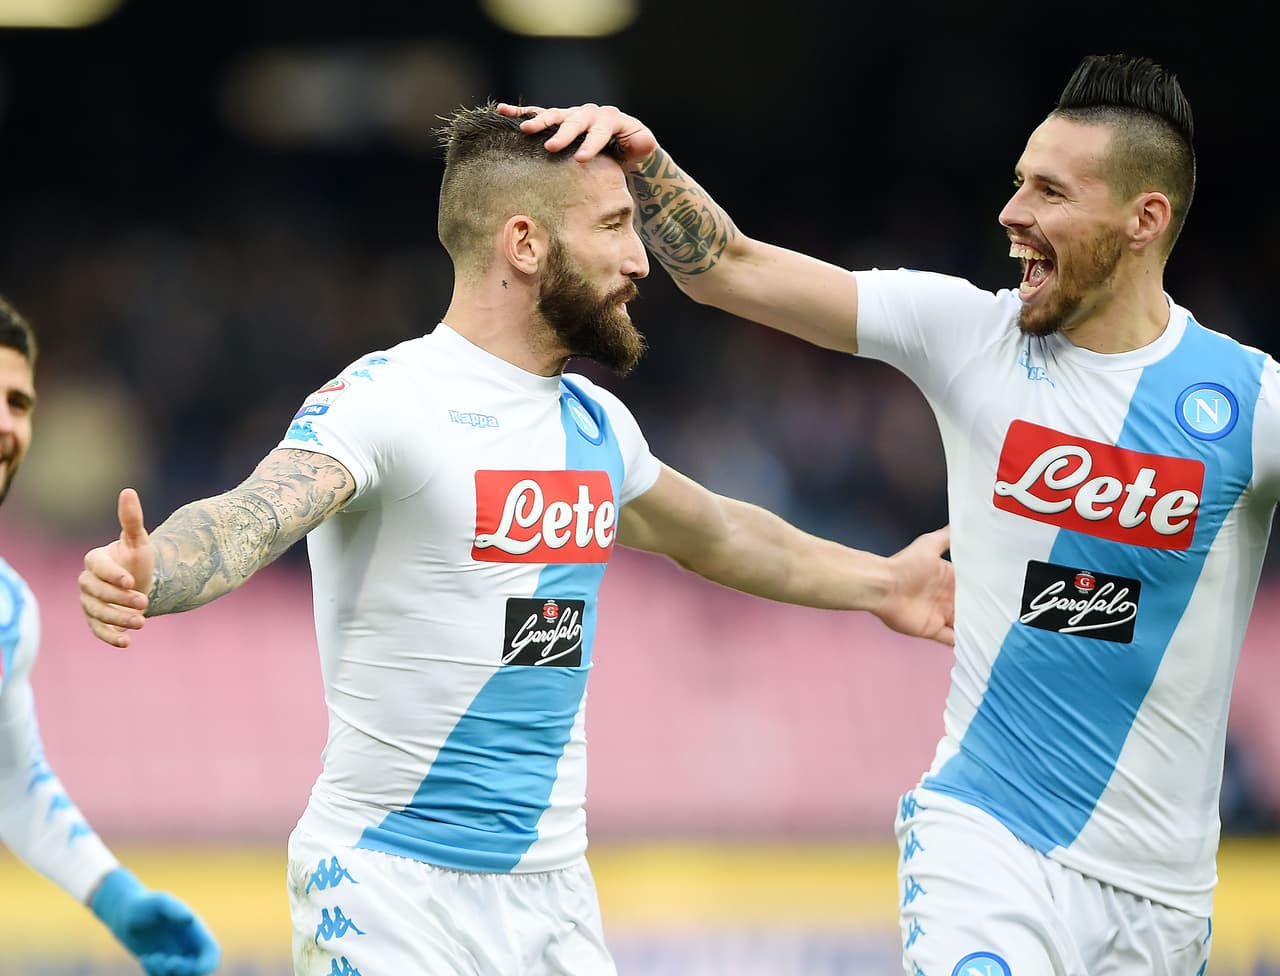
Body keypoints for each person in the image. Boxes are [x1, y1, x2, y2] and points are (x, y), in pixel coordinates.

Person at [76, 103, 955, 976]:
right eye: (614, 226)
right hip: (390, 890)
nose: (638, 259)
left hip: (552, 897)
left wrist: (884, 585)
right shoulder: (388, 399)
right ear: (526, 245)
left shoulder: (599, 426)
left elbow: (720, 534)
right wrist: (155, 572)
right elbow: (249, 514)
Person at [501, 52, 1280, 976]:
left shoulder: (1249, 403)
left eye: (1050, 191)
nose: (1012, 213)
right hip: (989, 839)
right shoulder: (968, 334)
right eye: (1016, 182)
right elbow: (731, 270)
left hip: (1166, 891)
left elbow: (1102, 600)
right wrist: (646, 162)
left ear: (1144, 220)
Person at [0, 297, 221, 976]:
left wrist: (115, 894)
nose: (6, 424)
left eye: (19, 402)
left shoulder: (8, 614)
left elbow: (11, 777)